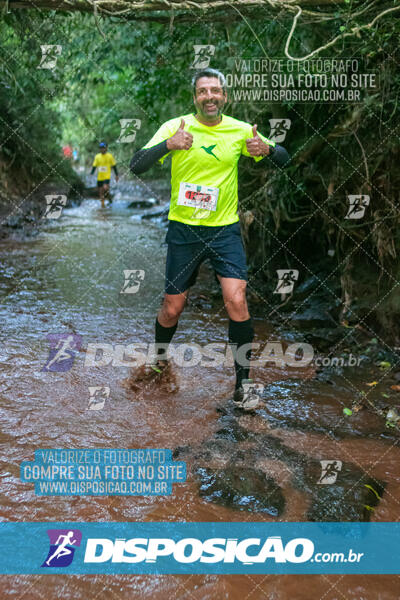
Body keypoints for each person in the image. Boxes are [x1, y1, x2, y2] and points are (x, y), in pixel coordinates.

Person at [130, 68, 290, 411]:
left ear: (225, 96)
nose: (209, 96)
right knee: (172, 307)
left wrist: (266, 149)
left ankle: (242, 384)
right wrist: (168, 146)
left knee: (237, 300)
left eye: (215, 91)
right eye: (203, 91)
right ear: (195, 98)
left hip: (224, 231)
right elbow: (136, 165)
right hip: (184, 230)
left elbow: (284, 158)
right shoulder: (176, 126)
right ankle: (159, 360)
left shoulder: (240, 130)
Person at [91, 142, 119, 208]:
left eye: (103, 148)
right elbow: (94, 166)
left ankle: (110, 199)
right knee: (100, 192)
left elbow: (114, 166)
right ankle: (102, 206)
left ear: (106, 148)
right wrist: (92, 173)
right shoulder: (97, 156)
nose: (102, 149)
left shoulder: (110, 156)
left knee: (106, 188)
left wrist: (116, 175)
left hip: (107, 176)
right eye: (101, 148)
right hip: (100, 177)